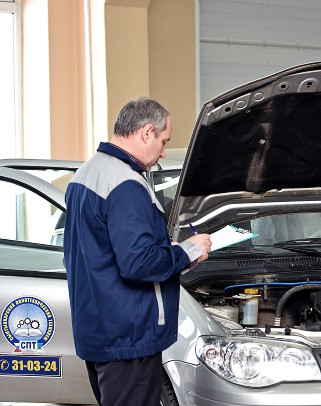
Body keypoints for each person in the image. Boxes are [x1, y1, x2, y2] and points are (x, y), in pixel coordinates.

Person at [63, 97, 212, 406]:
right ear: (146, 132)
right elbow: (138, 264)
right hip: (129, 336)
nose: (162, 153)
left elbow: (95, 252)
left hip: (100, 330)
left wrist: (163, 251)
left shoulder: (87, 174)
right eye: (163, 141)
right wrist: (187, 251)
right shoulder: (126, 185)